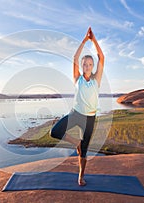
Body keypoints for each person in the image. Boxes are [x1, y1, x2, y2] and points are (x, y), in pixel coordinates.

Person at [50, 27, 104, 186]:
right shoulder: (77, 79)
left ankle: (80, 176)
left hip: (90, 119)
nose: (87, 66)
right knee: (55, 131)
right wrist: (84, 40)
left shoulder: (96, 81)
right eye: (84, 64)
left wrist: (93, 40)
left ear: (93, 66)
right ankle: (76, 142)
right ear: (81, 66)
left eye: (89, 64)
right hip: (76, 114)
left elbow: (102, 56)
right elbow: (75, 57)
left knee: (84, 152)